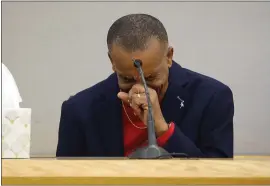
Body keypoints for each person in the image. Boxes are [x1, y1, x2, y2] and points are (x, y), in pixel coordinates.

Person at [56, 13, 234, 158]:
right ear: (112, 62)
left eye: (151, 77)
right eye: (127, 79)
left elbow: (218, 175)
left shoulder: (212, 98)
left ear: (169, 56)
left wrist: (163, 129)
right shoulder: (79, 110)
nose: (140, 88)